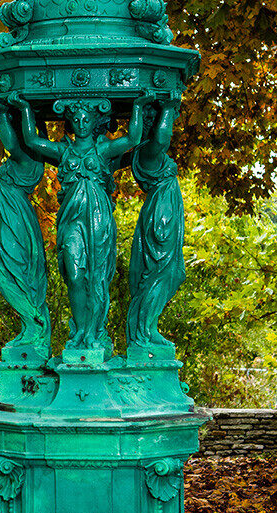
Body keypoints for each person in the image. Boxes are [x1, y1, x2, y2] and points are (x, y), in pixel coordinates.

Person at [9, 90, 154, 351]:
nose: (82, 123)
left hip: (98, 220)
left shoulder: (104, 150)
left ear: (94, 121)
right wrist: (24, 108)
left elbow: (133, 137)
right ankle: (80, 331)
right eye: (76, 119)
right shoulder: (63, 151)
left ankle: (92, 334)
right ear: (71, 122)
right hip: (71, 221)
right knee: (75, 275)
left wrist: (139, 106)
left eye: (86, 118)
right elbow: (31, 139)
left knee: (97, 277)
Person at [0, 95, 51, 354]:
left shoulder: (27, 157)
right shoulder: (30, 155)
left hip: (16, 216)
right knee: (9, 273)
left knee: (5, 274)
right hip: (14, 214)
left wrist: (1, 113)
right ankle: (32, 325)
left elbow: (11, 143)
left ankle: (34, 324)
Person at [126, 91, 185, 349]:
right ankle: (144, 331)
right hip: (161, 217)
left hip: (165, 212)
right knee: (160, 271)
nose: (168, 132)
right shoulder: (148, 153)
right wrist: (170, 106)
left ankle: (147, 327)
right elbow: (161, 139)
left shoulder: (151, 154)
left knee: (172, 273)